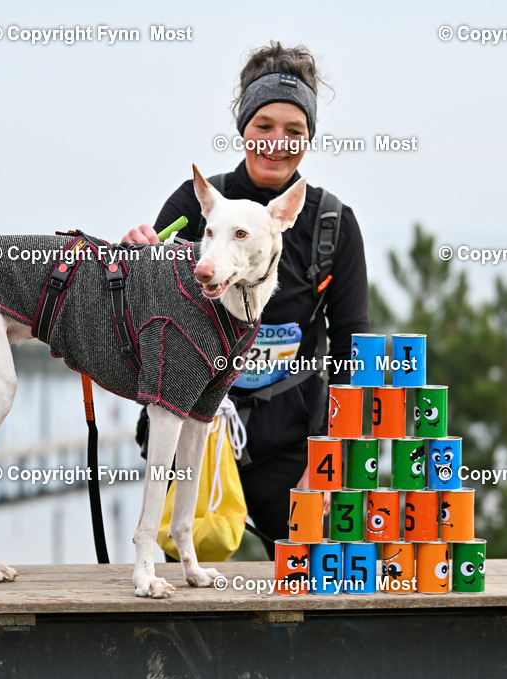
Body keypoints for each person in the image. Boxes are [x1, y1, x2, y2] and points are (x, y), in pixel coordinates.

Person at [124, 42, 370, 557]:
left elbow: (353, 351)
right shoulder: (197, 203)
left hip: (291, 442)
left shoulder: (331, 223)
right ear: (242, 129)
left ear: (310, 137)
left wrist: (330, 462)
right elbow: (141, 313)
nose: (277, 143)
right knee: (179, 586)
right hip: (192, 426)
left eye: (294, 130)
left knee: (320, 576)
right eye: (264, 126)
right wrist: (134, 264)